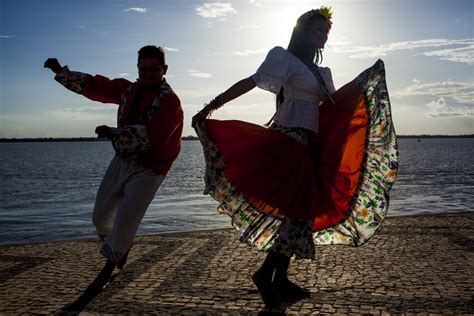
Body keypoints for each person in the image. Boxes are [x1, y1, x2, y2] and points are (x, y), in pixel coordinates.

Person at [192, 7, 398, 308]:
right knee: (298, 212)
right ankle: (268, 276)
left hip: (309, 148)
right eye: (317, 30)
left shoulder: (322, 72)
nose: (322, 37)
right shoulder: (284, 58)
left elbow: (333, 107)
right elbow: (251, 81)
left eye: (325, 32)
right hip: (287, 141)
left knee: (299, 215)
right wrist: (211, 106)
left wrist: (365, 87)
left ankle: (277, 278)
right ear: (302, 31)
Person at [44, 45, 183, 302]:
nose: (149, 73)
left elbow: (155, 135)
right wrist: (60, 71)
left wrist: (114, 133)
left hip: (152, 167)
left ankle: (108, 268)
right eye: (144, 69)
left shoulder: (171, 102)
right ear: (138, 69)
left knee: (127, 218)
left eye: (154, 69)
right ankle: (120, 247)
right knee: (100, 217)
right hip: (122, 161)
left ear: (164, 70)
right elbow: (99, 86)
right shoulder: (128, 90)